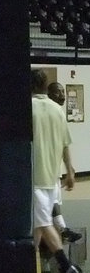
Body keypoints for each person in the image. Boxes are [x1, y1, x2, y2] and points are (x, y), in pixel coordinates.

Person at [32, 69, 81, 273]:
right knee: (37, 223)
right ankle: (28, 267)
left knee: (42, 223)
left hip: (35, 176)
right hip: (52, 177)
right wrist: (69, 171)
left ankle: (65, 264)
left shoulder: (26, 109)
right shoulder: (57, 111)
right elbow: (65, 145)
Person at [47, 81, 81, 244]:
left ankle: (61, 229)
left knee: (53, 200)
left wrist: (69, 168)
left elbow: (63, 144)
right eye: (58, 92)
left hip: (52, 167)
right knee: (47, 203)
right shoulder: (46, 112)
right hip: (42, 167)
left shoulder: (58, 113)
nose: (63, 95)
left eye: (63, 92)